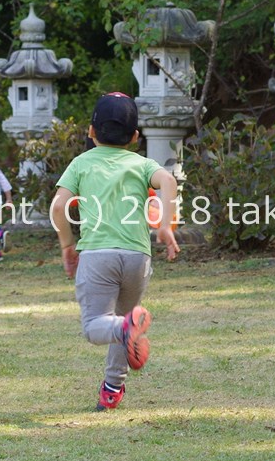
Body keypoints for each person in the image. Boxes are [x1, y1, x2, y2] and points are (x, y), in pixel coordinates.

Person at [49, 92, 179, 412]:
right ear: (135, 137)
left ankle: (123, 331)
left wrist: (67, 245)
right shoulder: (142, 164)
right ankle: (112, 388)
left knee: (97, 327)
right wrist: (164, 225)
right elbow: (169, 182)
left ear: (90, 132)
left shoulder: (81, 164)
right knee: (124, 319)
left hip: (97, 255)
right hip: (137, 257)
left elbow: (58, 207)